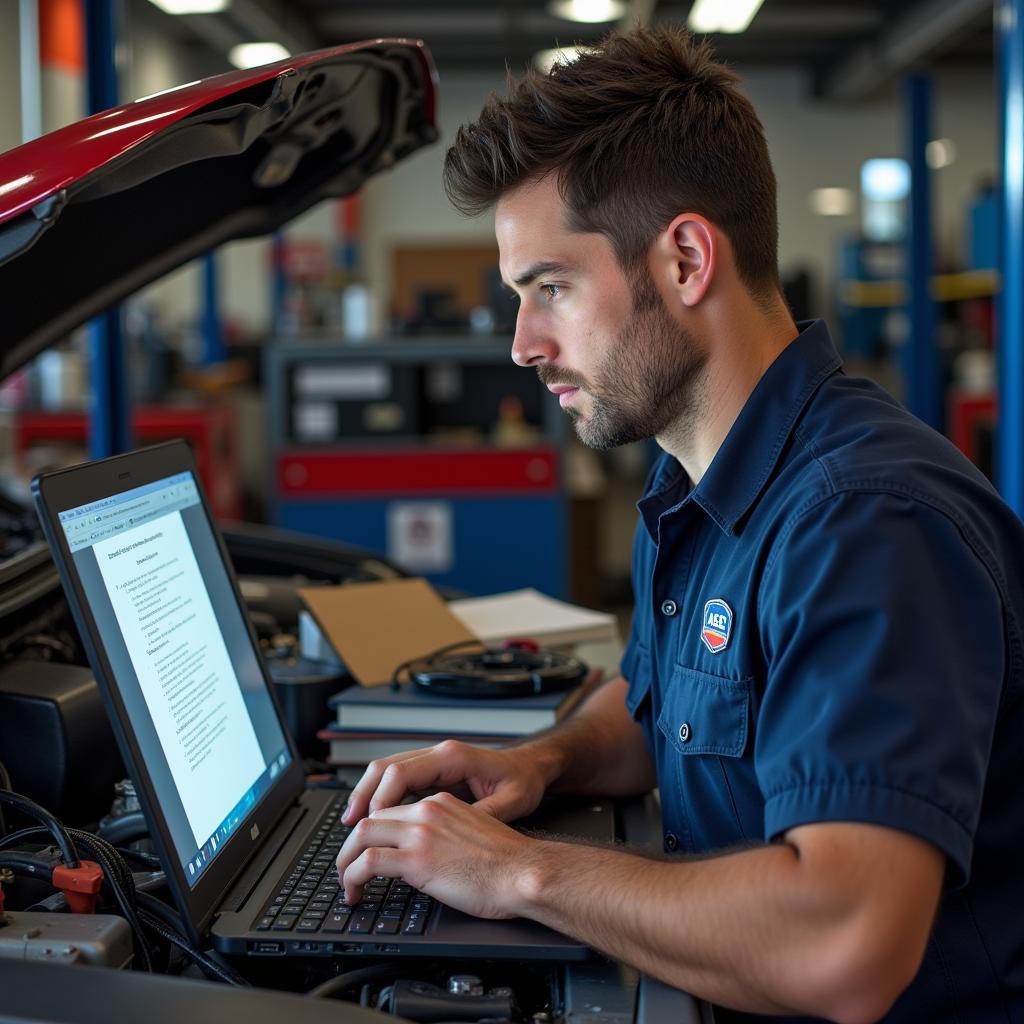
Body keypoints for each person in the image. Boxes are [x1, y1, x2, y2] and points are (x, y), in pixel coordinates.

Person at [336, 27, 1022, 1023]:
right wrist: (538, 764)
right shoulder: (696, 483)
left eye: (551, 289)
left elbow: (845, 943)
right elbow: (666, 711)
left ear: (686, 258)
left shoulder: (863, 525)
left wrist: (522, 874)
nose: (526, 344)